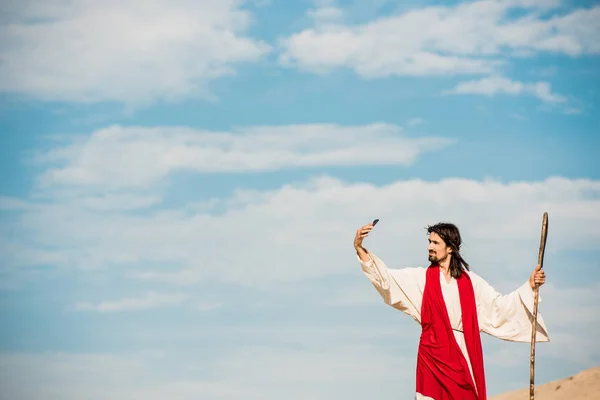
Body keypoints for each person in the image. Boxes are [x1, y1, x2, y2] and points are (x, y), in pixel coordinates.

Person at [354, 221, 549, 400]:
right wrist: (360, 248)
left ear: (450, 247)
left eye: (435, 243)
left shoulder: (472, 282)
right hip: (432, 360)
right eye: (429, 242)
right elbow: (386, 279)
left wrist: (530, 286)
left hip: (464, 358)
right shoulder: (420, 279)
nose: (430, 247)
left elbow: (500, 308)